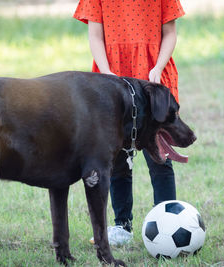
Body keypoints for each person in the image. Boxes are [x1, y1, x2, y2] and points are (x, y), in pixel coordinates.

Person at [73, 0, 185, 246]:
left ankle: (167, 223)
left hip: (152, 77)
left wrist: (158, 66)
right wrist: (106, 73)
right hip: (113, 79)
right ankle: (122, 226)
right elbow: (95, 36)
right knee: (117, 158)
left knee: (159, 157)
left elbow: (170, 33)